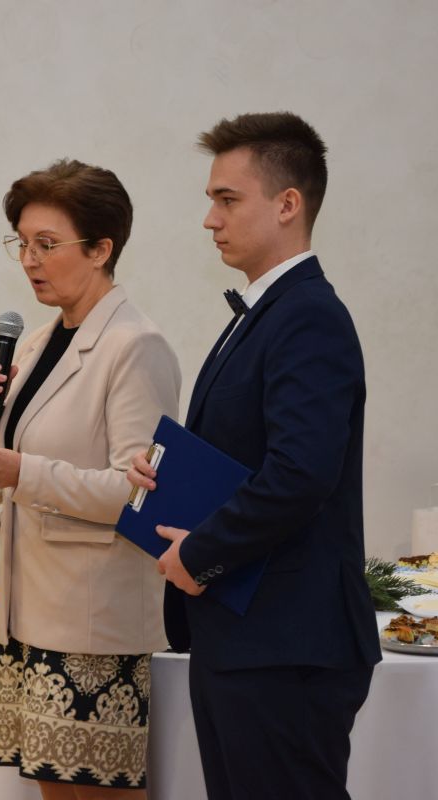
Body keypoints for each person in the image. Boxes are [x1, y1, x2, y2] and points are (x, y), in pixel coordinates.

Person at [127, 112, 381, 800]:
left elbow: (300, 475)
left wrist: (201, 552)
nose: (210, 219)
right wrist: (164, 477)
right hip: (244, 631)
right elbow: (249, 456)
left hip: (284, 639)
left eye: (227, 199)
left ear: (287, 204)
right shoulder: (262, 314)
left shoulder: (308, 315)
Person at [0, 159, 181, 799]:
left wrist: (21, 470)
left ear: (101, 249)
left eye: (47, 244)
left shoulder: (135, 345)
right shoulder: (33, 344)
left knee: (98, 794)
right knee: (54, 792)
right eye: (22, 243)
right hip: (30, 611)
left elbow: (136, 492)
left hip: (93, 619)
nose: (29, 260)